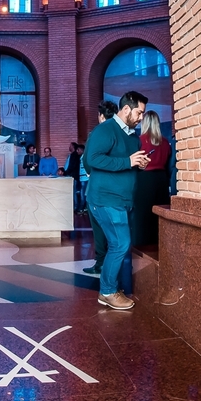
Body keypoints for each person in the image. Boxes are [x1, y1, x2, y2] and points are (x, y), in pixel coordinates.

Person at [83, 92, 149, 310]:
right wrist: (127, 161)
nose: (141, 117)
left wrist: (139, 163)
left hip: (123, 199)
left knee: (118, 244)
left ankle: (111, 287)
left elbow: (126, 163)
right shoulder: (105, 129)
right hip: (105, 198)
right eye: (139, 112)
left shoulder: (132, 136)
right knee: (120, 243)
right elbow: (92, 159)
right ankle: (108, 291)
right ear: (127, 109)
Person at [82, 101, 117, 275]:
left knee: (98, 226)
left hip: (98, 187)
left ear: (102, 116)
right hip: (118, 187)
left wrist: (91, 174)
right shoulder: (122, 133)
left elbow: (87, 160)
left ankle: (101, 263)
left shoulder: (96, 133)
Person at [132, 110, 171, 246]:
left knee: (142, 214)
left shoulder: (139, 141)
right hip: (161, 179)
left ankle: (141, 242)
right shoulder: (165, 143)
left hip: (144, 179)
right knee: (159, 213)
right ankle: (159, 241)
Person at [65, 142, 84, 212]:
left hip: (73, 176)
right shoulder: (75, 155)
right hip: (75, 176)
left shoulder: (74, 155)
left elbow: (72, 166)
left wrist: (66, 172)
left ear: (73, 147)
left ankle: (76, 207)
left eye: (70, 146)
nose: (69, 147)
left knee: (74, 192)